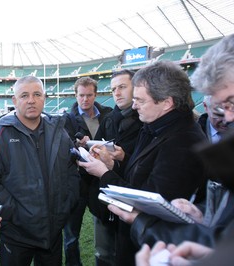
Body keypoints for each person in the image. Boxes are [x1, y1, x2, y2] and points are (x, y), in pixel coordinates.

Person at [78, 60, 207, 266]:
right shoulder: (156, 127)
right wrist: (115, 164)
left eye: (140, 100)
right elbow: (142, 174)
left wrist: (104, 173)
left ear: (167, 102)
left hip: (152, 250)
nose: (135, 104)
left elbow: (151, 202)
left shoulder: (184, 141)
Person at [134, 33, 234, 266]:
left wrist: (140, 221)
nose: (227, 117)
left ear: (166, 102)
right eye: (222, 107)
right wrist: (203, 218)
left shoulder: (184, 140)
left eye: (232, 102)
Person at [0, 75, 80, 266]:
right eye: (24, 95)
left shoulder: (58, 133)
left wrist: (65, 204)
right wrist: (16, 213)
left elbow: (72, 170)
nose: (31, 100)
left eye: (37, 94)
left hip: (53, 233)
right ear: (14, 101)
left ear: (44, 98)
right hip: (16, 234)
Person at [90, 69, 143, 266]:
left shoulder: (147, 120)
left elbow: (143, 165)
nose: (117, 93)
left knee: (127, 257)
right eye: (113, 89)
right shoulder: (109, 119)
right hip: (105, 201)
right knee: (103, 254)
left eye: (122, 87)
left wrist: (120, 160)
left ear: (135, 87)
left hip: (133, 204)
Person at [63, 76, 112, 266]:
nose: (85, 99)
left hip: (102, 181)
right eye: (81, 95)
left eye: (89, 95)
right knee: (71, 236)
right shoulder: (68, 119)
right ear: (75, 95)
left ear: (95, 94)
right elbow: (64, 149)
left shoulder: (108, 114)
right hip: (77, 183)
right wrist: (76, 145)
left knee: (106, 229)